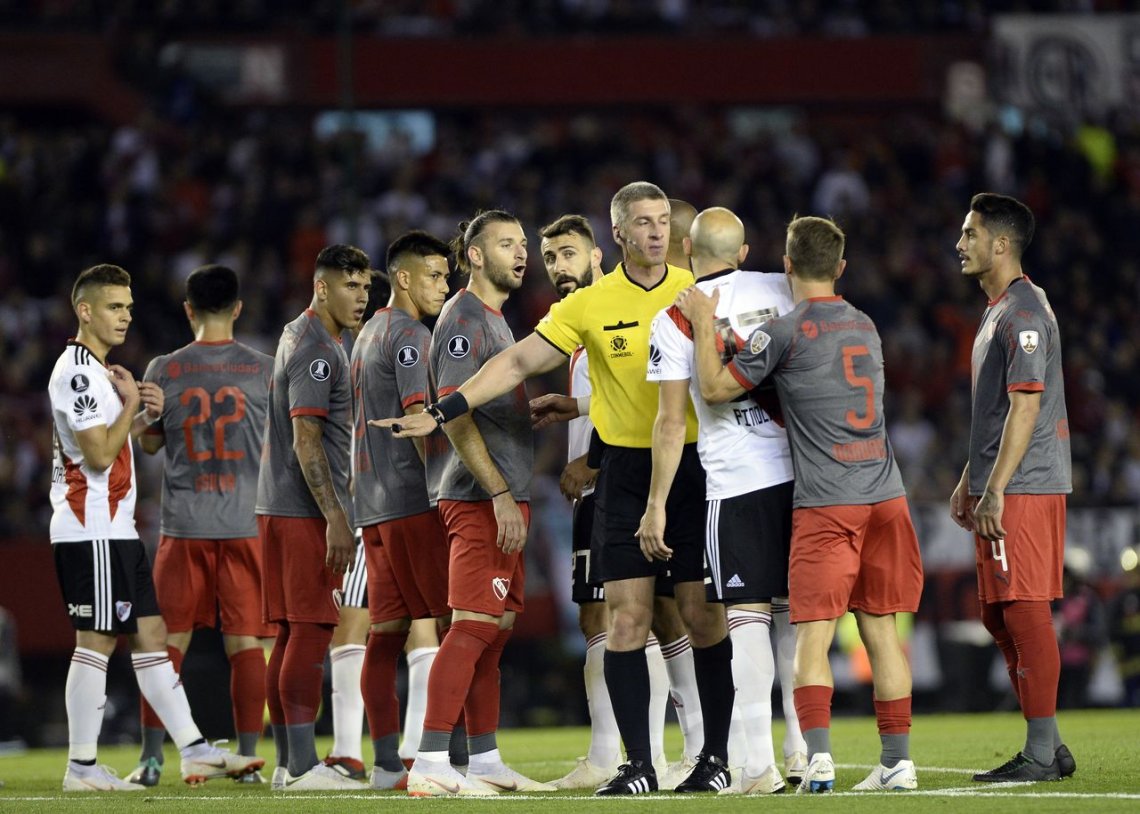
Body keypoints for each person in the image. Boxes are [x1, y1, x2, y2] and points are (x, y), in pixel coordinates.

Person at [376, 183, 733, 796]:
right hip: (621, 473)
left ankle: (719, 756)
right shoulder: (589, 305)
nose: (654, 232)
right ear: (617, 235)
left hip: (697, 468)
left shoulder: (698, 293)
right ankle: (638, 765)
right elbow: (514, 364)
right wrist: (444, 409)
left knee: (702, 615)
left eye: (660, 222)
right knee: (625, 619)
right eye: (640, 223)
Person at [674, 215, 924, 794]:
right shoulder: (865, 324)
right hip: (887, 496)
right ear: (840, 268)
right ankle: (897, 763)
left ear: (786, 265)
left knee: (811, 635)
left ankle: (818, 761)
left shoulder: (784, 331)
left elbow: (713, 390)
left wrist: (707, 322)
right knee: (882, 631)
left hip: (827, 504)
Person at [48, 264, 263, 791]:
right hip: (91, 526)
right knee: (95, 642)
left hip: (114, 527)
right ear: (85, 311)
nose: (125, 316)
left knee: (152, 637)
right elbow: (98, 455)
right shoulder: (76, 372)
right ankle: (81, 766)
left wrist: (146, 416)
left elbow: (115, 441)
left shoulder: (98, 370)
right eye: (114, 307)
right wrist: (130, 408)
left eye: (128, 307)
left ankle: (193, 749)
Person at [642, 206, 806, 794]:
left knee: (747, 620)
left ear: (687, 249)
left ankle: (757, 765)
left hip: (735, 482)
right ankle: (802, 752)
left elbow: (668, 423)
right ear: (742, 252)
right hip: (802, 477)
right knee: (795, 619)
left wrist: (657, 502)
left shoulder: (675, 317)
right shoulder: (780, 288)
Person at [393, 211, 553, 797]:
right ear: (476, 255)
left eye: (523, 244)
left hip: (502, 494)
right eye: (507, 244)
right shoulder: (462, 319)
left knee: (496, 628)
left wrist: (524, 410)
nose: (521, 254)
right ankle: (432, 762)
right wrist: (500, 494)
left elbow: (482, 407)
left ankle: (484, 760)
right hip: (479, 496)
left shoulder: (494, 320)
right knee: (471, 626)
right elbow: (455, 418)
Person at [127, 264, 275, 786]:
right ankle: (249, 760)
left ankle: (149, 758)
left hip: (184, 524)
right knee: (246, 645)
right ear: (237, 308)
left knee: (166, 645)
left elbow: (147, 441)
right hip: (244, 523)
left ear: (188, 309)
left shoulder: (164, 369)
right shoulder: (264, 369)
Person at [949, 192, 1076, 782]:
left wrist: (995, 487)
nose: (960, 243)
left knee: (1023, 611)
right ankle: (1048, 742)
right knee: (999, 616)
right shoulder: (1003, 307)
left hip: (1024, 485)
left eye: (970, 234)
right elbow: (997, 412)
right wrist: (970, 479)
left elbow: (1025, 407)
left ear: (1000, 244)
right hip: (1004, 480)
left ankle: (1041, 751)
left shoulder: (1022, 312)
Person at [255, 244, 372, 791]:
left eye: (366, 286)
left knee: (288, 635)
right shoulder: (319, 349)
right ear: (321, 287)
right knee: (311, 631)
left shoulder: (296, 334)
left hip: (277, 507)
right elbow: (307, 441)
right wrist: (335, 518)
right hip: (303, 512)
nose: (362, 296)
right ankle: (303, 767)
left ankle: (286, 763)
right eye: (351, 286)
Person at [351, 230, 456, 790]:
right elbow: (419, 420)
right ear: (407, 278)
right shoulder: (412, 336)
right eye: (436, 276)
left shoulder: (368, 332)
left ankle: (387, 765)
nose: (445, 285)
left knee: (386, 633)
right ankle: (453, 757)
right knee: (456, 623)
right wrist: (443, 489)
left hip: (371, 505)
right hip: (412, 500)